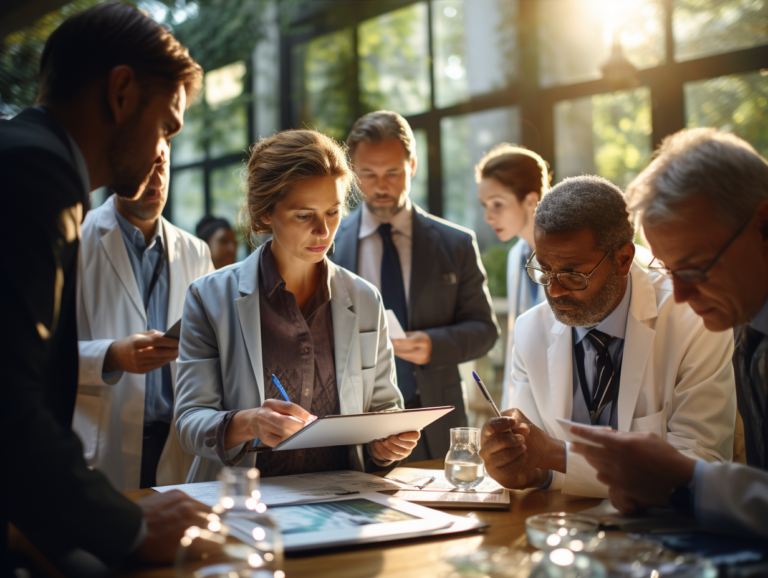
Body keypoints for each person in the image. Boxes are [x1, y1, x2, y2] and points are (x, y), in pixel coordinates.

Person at [1, 3, 208, 570]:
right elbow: (11, 407)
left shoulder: (19, 153)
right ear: (121, 93)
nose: (164, 147)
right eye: (166, 123)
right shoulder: (38, 175)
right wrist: (132, 528)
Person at [175, 129, 420, 482]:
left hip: (341, 503)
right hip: (244, 501)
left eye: (333, 212)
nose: (323, 231)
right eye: (304, 216)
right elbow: (189, 422)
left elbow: (384, 409)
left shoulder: (365, 298)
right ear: (264, 216)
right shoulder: (208, 297)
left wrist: (385, 447)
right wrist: (250, 422)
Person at [479, 175, 736, 497]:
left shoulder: (693, 319)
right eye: (544, 270)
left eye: (573, 274)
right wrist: (521, 467)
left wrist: (557, 457)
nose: (554, 292)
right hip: (562, 528)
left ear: (623, 259)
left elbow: (701, 463)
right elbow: (536, 457)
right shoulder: (532, 329)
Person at [569, 128, 768, 537]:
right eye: (669, 271)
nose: (680, 294)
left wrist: (689, 482)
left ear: (763, 226)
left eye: (695, 268)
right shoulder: (749, 330)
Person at [332, 110, 499, 462]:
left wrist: (434, 345)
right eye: (368, 174)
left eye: (392, 173)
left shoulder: (456, 243)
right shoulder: (328, 246)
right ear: (351, 173)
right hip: (354, 426)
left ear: (412, 165)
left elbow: (484, 330)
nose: (380, 187)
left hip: (435, 424)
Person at [75, 157, 215, 491]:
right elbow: (39, 352)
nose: (156, 182)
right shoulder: (76, 242)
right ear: (117, 171)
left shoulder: (196, 251)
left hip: (177, 443)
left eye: (162, 167)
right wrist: (110, 356)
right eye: (144, 168)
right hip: (100, 441)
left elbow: (214, 348)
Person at [476, 144, 550, 410]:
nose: (488, 216)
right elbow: (517, 346)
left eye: (497, 204)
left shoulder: (565, 256)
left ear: (531, 200)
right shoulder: (517, 255)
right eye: (485, 205)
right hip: (528, 401)